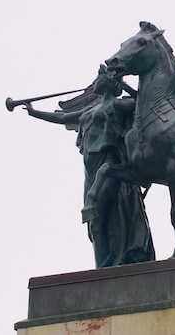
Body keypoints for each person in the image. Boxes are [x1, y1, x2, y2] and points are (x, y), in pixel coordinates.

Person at [23, 66, 155, 267]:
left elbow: (143, 103)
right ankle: (103, 266)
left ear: (110, 83)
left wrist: (126, 86)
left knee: (105, 213)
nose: (96, 82)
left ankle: (114, 262)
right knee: (95, 224)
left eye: (100, 78)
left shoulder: (120, 106)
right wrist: (34, 112)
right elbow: (62, 118)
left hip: (109, 164)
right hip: (90, 170)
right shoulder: (88, 110)